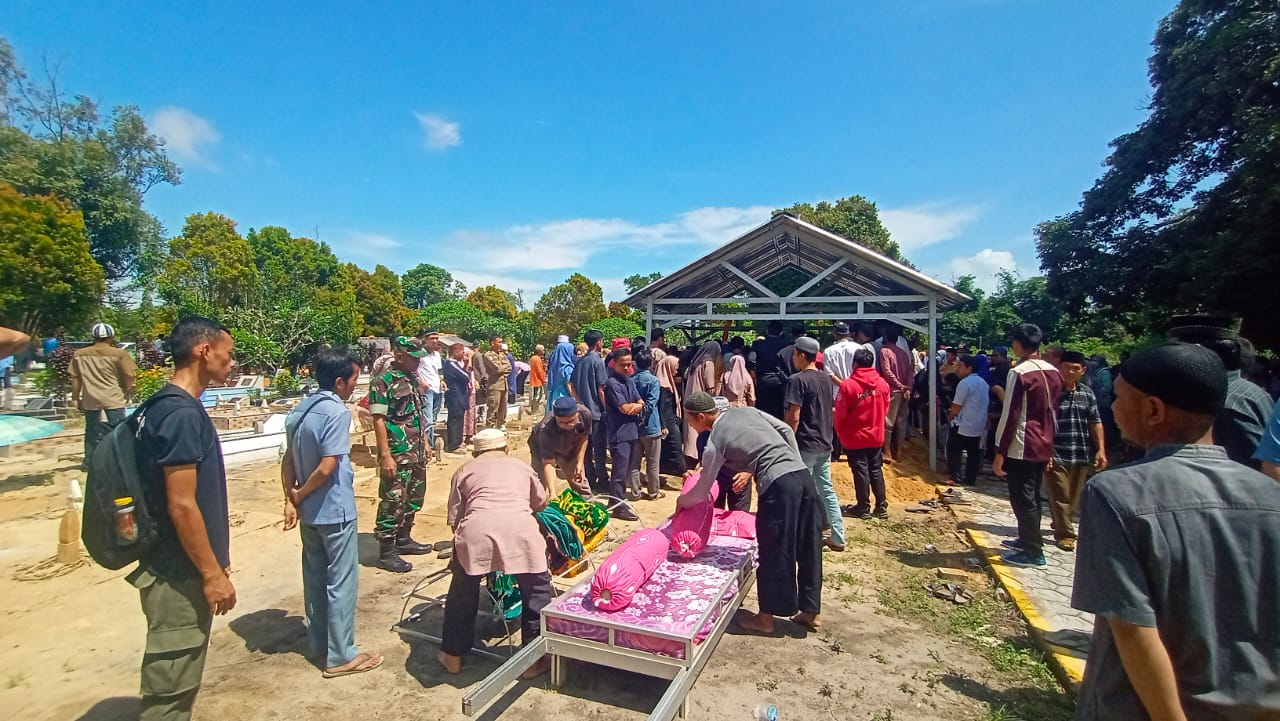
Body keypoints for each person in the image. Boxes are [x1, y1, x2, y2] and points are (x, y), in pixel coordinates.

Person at [1071, 342, 1280, 720]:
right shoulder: (1271, 496)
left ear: (1152, 409)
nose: (1112, 407)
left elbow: (1134, 629)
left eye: (1117, 396)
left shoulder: (1116, 494)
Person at [130, 316, 236, 721]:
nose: (232, 362)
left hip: (176, 564)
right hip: (178, 571)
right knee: (171, 687)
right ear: (203, 351)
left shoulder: (158, 406)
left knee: (180, 676)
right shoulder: (180, 415)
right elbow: (181, 504)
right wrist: (211, 573)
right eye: (227, 354)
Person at [677, 392, 823, 634]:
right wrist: (792, 462)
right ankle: (811, 610)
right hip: (802, 476)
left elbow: (702, 491)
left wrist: (682, 501)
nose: (692, 426)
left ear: (701, 416)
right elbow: (786, 430)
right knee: (808, 542)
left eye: (691, 422)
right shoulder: (745, 411)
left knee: (773, 545)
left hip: (779, 484)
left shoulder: (716, 441)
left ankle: (765, 619)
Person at [280, 349, 383, 679]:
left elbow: (287, 462)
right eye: (353, 380)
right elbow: (328, 466)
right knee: (341, 581)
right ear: (339, 382)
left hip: (309, 514)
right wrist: (300, 493)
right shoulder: (335, 413)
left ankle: (320, 642)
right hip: (333, 510)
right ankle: (341, 655)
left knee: (314, 577)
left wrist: (292, 499)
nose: (355, 386)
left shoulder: (298, 411)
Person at [438, 429, 554, 679]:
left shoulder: (465, 470)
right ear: (506, 448)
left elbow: (455, 518)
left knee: (462, 590)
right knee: (537, 592)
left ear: (476, 452)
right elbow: (541, 503)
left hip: (476, 531)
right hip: (520, 531)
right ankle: (533, 660)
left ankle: (452, 655)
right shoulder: (521, 467)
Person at [993, 323, 1062, 568]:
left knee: (1022, 497)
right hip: (1044, 440)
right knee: (1032, 494)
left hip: (1023, 442)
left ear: (1018, 344)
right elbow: (1053, 411)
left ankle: (1033, 552)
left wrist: (1000, 450)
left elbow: (1011, 413)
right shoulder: (1053, 372)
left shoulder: (1019, 373)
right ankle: (1025, 540)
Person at [1169, 316, 1272, 469]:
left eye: (1176, 351)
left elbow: (1247, 473)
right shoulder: (1248, 391)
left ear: (1199, 354)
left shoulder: (1223, 405)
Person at [368, 336, 432, 573]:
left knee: (415, 495)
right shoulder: (382, 382)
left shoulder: (413, 379)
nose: (417, 362)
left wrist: (425, 442)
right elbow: (379, 419)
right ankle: (386, 551)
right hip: (397, 451)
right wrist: (385, 454)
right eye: (413, 358)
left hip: (415, 450)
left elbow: (417, 415)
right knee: (393, 499)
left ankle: (404, 539)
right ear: (399, 355)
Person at [784, 337, 841, 551]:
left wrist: (787, 441)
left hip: (805, 443)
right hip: (825, 441)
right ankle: (837, 536)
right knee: (826, 489)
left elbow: (794, 416)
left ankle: (803, 537)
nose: (793, 358)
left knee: (801, 492)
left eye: (794, 354)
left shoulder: (797, 380)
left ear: (800, 355)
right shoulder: (826, 378)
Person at [1046, 350, 1107, 552]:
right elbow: (1043, 422)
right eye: (1065, 367)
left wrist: (1101, 450)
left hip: (1080, 452)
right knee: (1060, 493)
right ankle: (1065, 534)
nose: (1069, 372)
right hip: (1056, 451)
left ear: (1083, 371)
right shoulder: (1051, 393)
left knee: (1073, 496)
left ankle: (1061, 522)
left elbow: (1095, 422)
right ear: (1059, 368)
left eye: (1075, 368)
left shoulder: (1087, 394)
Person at [70, 323, 137, 466]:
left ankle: (90, 462)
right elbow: (129, 375)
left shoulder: (79, 354)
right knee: (117, 430)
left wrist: (75, 398)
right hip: (113, 397)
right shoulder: (119, 354)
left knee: (92, 431)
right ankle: (117, 461)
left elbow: (76, 378)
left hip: (90, 398)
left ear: (93, 337)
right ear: (111, 337)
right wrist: (128, 390)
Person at [835, 348, 890, 518]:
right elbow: (885, 408)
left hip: (854, 435)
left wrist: (839, 430)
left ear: (855, 363)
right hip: (876, 433)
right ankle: (881, 506)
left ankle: (863, 506)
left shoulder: (847, 385)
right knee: (875, 469)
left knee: (860, 470)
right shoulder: (882, 384)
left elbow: (840, 412)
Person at [604, 348, 643, 520]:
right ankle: (619, 507)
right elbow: (625, 408)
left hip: (631, 431)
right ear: (615, 364)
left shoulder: (629, 381)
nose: (627, 368)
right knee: (619, 472)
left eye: (629, 364)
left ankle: (614, 501)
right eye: (623, 365)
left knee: (626, 470)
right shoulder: (612, 383)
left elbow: (641, 402)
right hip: (619, 433)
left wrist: (635, 406)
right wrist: (634, 407)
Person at [529, 396, 593, 497]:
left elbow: (583, 437)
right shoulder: (546, 429)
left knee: (579, 479)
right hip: (540, 448)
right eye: (562, 423)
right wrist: (552, 493)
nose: (567, 425)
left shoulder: (585, 415)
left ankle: (589, 506)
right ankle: (538, 509)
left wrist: (580, 462)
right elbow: (548, 463)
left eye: (571, 421)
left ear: (577, 413)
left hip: (569, 446)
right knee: (539, 485)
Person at [569, 329, 609, 493]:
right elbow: (601, 389)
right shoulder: (597, 362)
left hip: (582, 413)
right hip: (597, 413)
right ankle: (603, 480)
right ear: (598, 342)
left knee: (585, 448)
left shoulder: (579, 361)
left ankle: (590, 478)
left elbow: (571, 386)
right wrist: (606, 407)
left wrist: (579, 402)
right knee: (599, 449)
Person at [946, 355, 990, 487]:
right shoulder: (983, 383)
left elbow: (956, 405)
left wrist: (951, 415)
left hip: (963, 423)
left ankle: (956, 477)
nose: (957, 369)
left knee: (954, 449)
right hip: (978, 424)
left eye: (960, 366)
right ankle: (970, 479)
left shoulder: (965, 383)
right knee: (973, 453)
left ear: (969, 368)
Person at [631, 348, 665, 501]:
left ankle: (634, 492)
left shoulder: (630, 380)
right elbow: (651, 403)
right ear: (651, 363)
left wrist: (637, 417)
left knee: (634, 462)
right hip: (651, 426)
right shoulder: (653, 381)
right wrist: (644, 416)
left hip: (632, 425)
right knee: (652, 462)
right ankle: (653, 492)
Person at [681, 340, 723, 461]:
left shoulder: (695, 361)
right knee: (699, 429)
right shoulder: (708, 363)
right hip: (701, 402)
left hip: (690, 398)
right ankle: (697, 457)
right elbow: (710, 386)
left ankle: (690, 454)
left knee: (691, 428)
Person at [877, 323, 913, 463]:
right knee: (901, 422)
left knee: (888, 422)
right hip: (905, 391)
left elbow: (887, 372)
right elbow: (910, 372)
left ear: (885, 337)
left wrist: (900, 386)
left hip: (893, 391)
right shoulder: (904, 353)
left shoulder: (884, 351)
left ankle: (887, 452)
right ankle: (899, 452)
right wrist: (908, 387)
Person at [655, 347, 688, 477]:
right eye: (675, 366)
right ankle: (684, 472)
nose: (677, 369)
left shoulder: (669, 383)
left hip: (670, 420)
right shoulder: (663, 386)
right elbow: (661, 408)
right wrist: (663, 425)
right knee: (676, 447)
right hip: (668, 422)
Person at [751, 320, 790, 419]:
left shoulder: (757, 344)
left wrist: (754, 379)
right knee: (779, 413)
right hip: (780, 382)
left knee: (763, 413)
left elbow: (752, 361)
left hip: (762, 381)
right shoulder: (785, 346)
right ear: (781, 332)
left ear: (768, 331)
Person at [474, 335, 511, 430]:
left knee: (503, 407)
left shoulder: (502, 354)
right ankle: (490, 426)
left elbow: (509, 367)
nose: (500, 344)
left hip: (504, 384)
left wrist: (502, 368)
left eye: (501, 342)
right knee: (493, 406)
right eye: (499, 342)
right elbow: (496, 369)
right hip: (495, 385)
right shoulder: (488, 355)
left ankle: (501, 424)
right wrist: (503, 368)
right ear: (492, 343)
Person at [416, 330, 445, 449]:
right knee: (427, 419)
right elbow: (415, 370)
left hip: (437, 388)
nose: (434, 341)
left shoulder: (436, 355)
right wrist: (421, 382)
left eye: (436, 338)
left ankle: (430, 445)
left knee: (433, 418)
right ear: (426, 340)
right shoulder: (420, 354)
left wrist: (442, 380)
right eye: (432, 338)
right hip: (427, 389)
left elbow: (439, 370)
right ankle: (428, 446)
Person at [442, 342, 473, 453]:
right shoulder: (451, 364)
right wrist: (467, 363)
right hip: (455, 396)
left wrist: (464, 365)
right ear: (455, 352)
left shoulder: (455, 364)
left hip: (459, 396)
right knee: (455, 420)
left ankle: (458, 443)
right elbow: (465, 377)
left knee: (459, 419)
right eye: (462, 352)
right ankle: (453, 445)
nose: (463, 355)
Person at [544, 337, 576, 413]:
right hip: (564, 401)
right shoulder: (567, 368)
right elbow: (569, 386)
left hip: (553, 397)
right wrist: (577, 400)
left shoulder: (554, 367)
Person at [529, 344, 547, 410]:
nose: (543, 351)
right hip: (537, 380)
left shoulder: (533, 358)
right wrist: (543, 380)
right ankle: (535, 410)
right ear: (539, 351)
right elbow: (539, 371)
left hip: (533, 380)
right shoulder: (537, 359)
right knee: (537, 396)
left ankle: (534, 409)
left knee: (535, 395)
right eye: (543, 350)